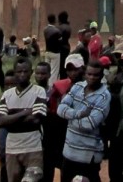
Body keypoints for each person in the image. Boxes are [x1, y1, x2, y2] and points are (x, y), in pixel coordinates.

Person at [0, 57, 47, 182]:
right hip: (11, 149)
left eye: (25, 71)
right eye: (19, 71)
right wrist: (26, 112)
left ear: (31, 72)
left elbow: (36, 120)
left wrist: (9, 118)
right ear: (14, 72)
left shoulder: (39, 91)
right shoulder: (7, 94)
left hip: (33, 148)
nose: (22, 74)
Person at [57, 60, 111, 182]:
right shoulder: (77, 87)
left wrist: (69, 119)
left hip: (88, 156)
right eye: (89, 74)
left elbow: (89, 124)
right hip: (69, 152)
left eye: (96, 75)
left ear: (101, 76)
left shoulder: (104, 95)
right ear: (85, 74)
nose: (92, 77)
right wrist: (79, 114)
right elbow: (60, 109)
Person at [44, 54, 85, 182]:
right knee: (64, 166)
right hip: (62, 132)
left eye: (76, 69)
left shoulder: (90, 87)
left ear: (82, 68)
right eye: (69, 69)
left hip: (82, 134)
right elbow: (50, 107)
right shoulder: (59, 86)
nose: (72, 73)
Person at [43, 14, 63, 84]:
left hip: (47, 52)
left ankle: (45, 83)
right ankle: (51, 86)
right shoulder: (57, 31)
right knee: (54, 71)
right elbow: (60, 42)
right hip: (55, 53)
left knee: (46, 69)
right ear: (55, 20)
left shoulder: (45, 30)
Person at [58, 12, 72, 79]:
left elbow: (58, 39)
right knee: (65, 64)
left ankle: (62, 78)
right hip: (67, 47)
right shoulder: (68, 27)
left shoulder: (60, 27)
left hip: (61, 48)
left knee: (61, 65)